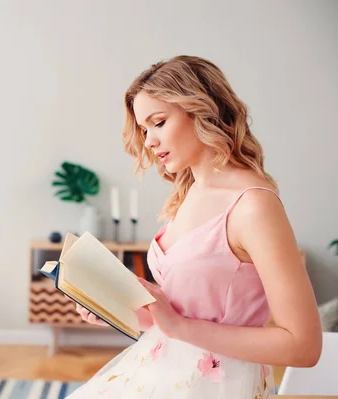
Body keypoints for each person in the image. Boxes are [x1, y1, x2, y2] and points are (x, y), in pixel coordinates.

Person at [68, 55, 323, 398]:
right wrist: (122, 309)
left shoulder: (253, 206)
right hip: (161, 371)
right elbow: (183, 317)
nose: (148, 141)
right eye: (144, 129)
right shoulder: (189, 190)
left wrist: (179, 326)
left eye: (158, 122)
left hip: (216, 386)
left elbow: (303, 346)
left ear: (202, 110)